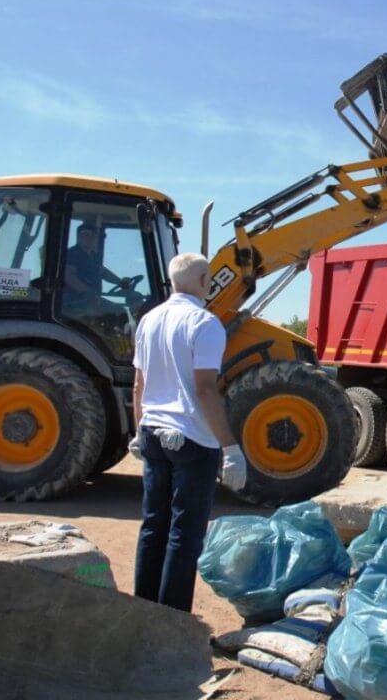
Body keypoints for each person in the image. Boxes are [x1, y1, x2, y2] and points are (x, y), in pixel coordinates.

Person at [130, 252, 247, 612]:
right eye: (208, 279)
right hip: (192, 439)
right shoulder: (205, 323)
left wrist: (138, 432)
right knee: (184, 536)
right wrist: (231, 448)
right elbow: (205, 389)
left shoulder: (148, 320)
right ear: (202, 282)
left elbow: (139, 384)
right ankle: (173, 622)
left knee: (153, 527)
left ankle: (142, 613)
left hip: (152, 432)